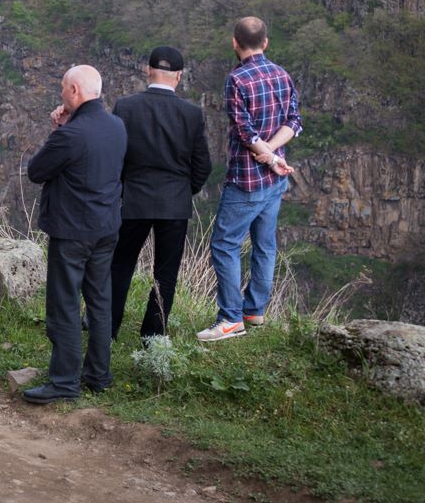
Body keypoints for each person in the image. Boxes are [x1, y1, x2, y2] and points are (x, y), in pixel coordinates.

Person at [23, 65, 126, 405]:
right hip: (106, 227)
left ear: (75, 91)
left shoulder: (70, 135)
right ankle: (98, 374)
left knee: (64, 304)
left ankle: (64, 382)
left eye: (63, 88)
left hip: (72, 232)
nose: (60, 94)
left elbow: (36, 170)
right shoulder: (117, 126)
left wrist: (59, 129)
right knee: (99, 301)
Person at [198, 17, 301, 342]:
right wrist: (274, 155)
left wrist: (267, 155)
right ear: (265, 42)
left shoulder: (237, 80)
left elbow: (245, 132)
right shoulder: (282, 74)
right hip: (275, 180)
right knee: (265, 245)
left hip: (247, 181)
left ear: (235, 42)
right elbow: (294, 121)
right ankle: (254, 310)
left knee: (225, 244)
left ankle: (231, 319)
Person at [110, 46, 212, 343]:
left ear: (148, 70)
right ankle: (152, 336)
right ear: (179, 76)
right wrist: (185, 190)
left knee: (120, 266)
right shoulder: (192, 114)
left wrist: (124, 187)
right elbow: (202, 165)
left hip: (134, 200)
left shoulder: (125, 107)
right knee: (165, 274)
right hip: (174, 204)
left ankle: (107, 328)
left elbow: (115, 157)